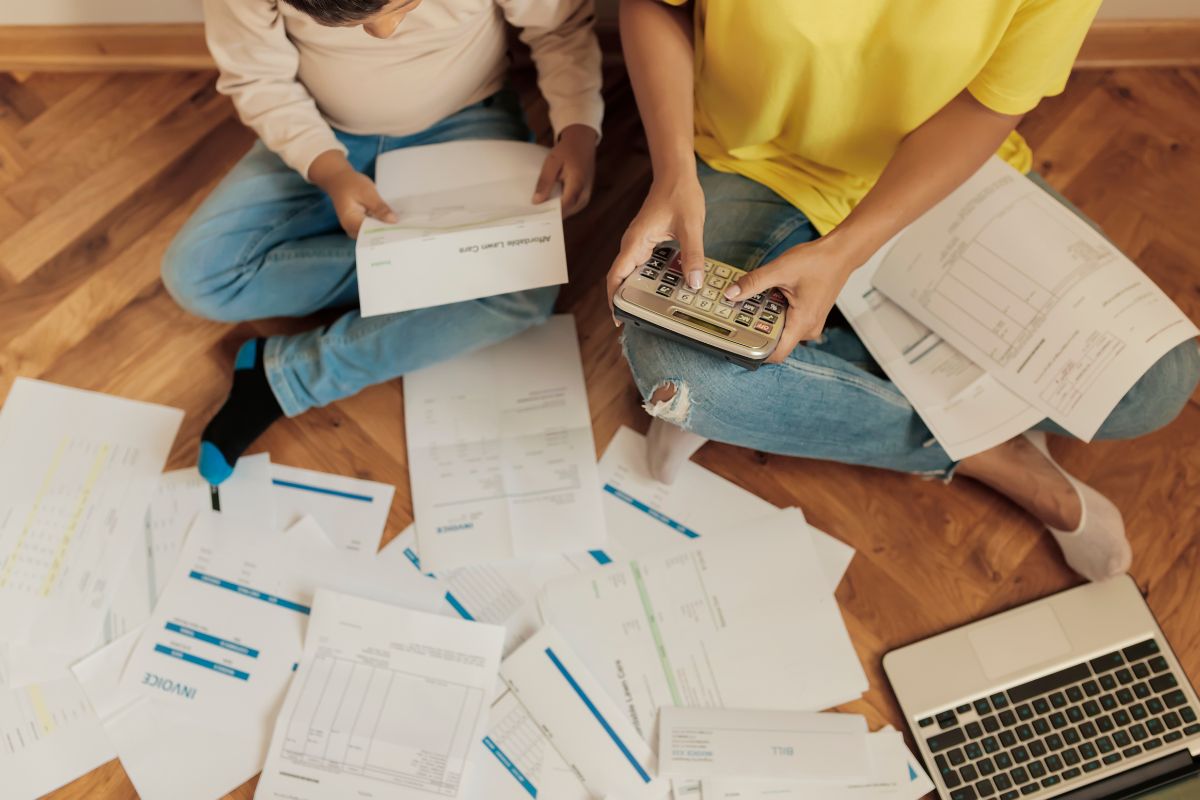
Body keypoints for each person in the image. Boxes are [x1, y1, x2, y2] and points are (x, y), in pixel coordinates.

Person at [607, 0, 1200, 582]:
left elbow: (989, 104)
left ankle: (798, 386)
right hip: (749, 162)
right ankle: (989, 455)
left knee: (1159, 384)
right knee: (684, 382)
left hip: (926, 178)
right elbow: (655, 5)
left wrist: (847, 250)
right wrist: (672, 172)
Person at [164, 0, 603, 485]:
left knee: (525, 287)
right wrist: (328, 169)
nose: (383, 32)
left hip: (463, 120)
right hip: (317, 128)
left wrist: (578, 126)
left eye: (402, 6)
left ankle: (288, 377)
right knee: (196, 276)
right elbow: (257, 78)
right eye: (349, 23)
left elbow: (560, 29)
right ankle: (433, 268)